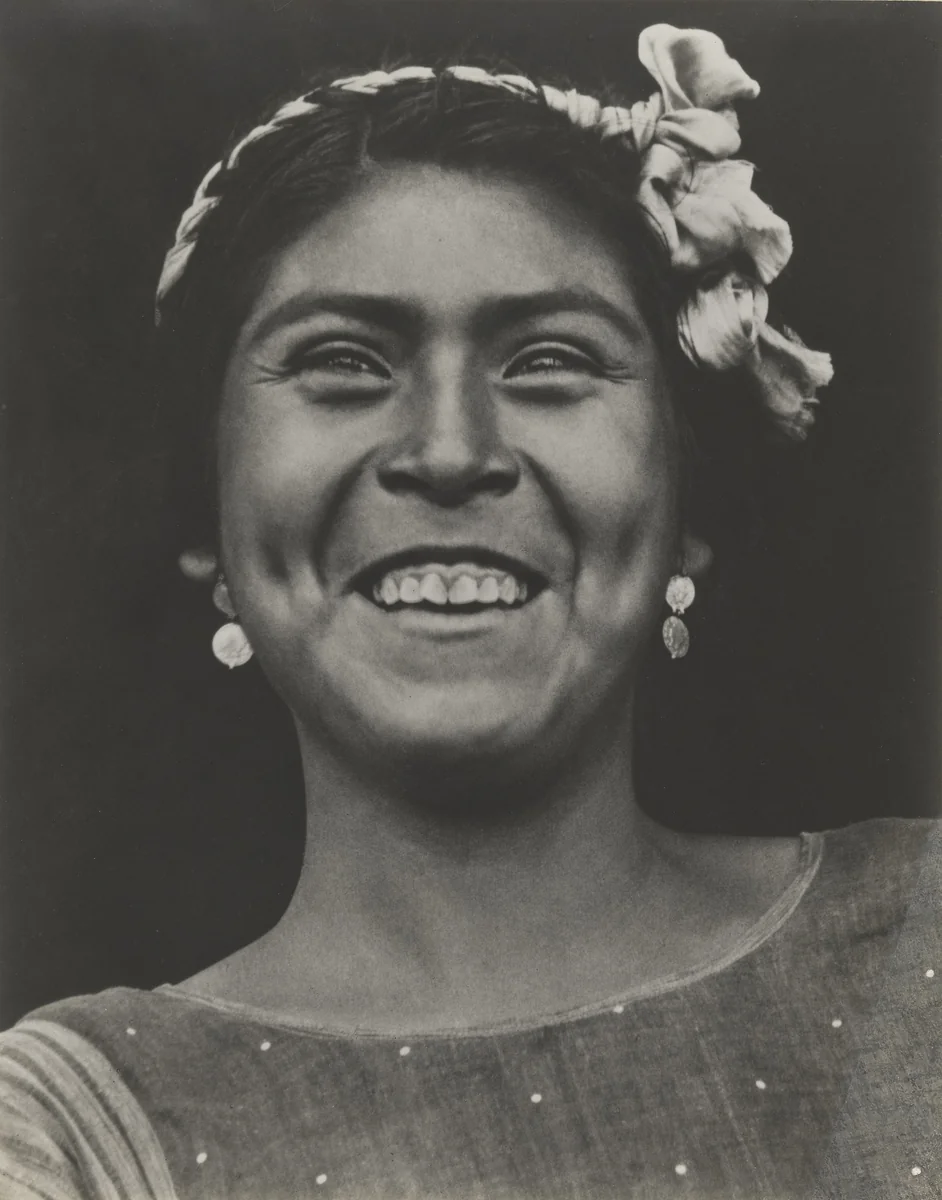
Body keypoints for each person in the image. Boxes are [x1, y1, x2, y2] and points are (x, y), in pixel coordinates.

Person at [0, 22, 936, 1200]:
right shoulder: (68, 1129)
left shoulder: (923, 943)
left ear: (688, 499)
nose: (449, 453)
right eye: (343, 361)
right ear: (211, 523)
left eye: (548, 361)